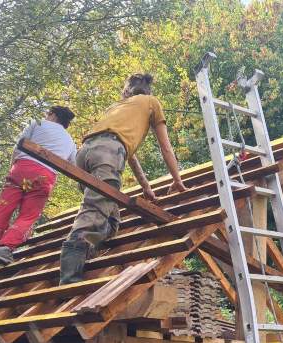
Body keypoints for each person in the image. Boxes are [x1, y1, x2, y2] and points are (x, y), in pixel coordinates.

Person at [59, 73, 187, 284]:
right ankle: (69, 277)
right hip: (108, 153)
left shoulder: (117, 108)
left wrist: (146, 186)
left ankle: (86, 252)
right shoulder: (151, 102)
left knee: (111, 221)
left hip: (85, 153)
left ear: (127, 91)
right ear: (148, 92)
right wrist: (177, 179)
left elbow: (129, 155)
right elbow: (165, 147)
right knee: (93, 212)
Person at [0, 106, 77, 270]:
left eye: (48, 113)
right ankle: (5, 248)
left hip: (21, 170)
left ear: (53, 115)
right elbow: (73, 165)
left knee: (3, 208)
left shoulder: (37, 123)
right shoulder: (70, 141)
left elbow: (18, 146)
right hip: (43, 177)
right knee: (28, 215)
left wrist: (12, 168)